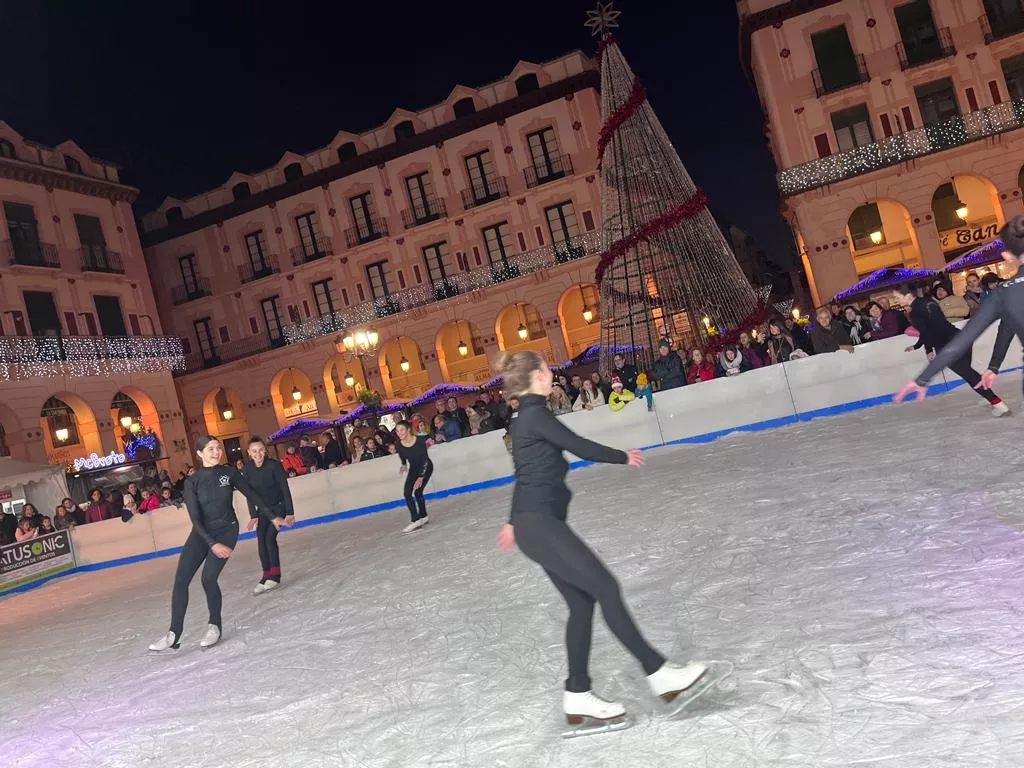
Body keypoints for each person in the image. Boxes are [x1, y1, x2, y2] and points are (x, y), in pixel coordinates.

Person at [493, 350, 710, 734]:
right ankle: (658, 673)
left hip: (534, 524)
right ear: (536, 376)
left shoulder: (524, 417)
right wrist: (622, 457)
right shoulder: (534, 414)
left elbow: (524, 473)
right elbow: (578, 446)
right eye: (546, 367)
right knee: (606, 589)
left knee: (582, 603)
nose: (551, 371)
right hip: (540, 525)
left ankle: (577, 694)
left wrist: (513, 522)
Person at [148, 435, 271, 652]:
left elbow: (252, 493)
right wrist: (211, 543)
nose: (216, 452)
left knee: (208, 578)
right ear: (199, 453)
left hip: (226, 531)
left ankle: (215, 626)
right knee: (180, 580)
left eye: (218, 448)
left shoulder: (229, 473)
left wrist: (272, 515)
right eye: (211, 449)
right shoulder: (192, 482)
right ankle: (173, 634)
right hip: (202, 534)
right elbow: (195, 518)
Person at [896, 216, 1024, 407]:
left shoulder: (1002, 293)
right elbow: (1006, 328)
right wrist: (994, 366)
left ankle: (994, 401)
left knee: (967, 372)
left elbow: (963, 339)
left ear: (1006, 256)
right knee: (968, 372)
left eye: (897, 297)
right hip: (951, 339)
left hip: (949, 343)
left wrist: (923, 378)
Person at [891, 281, 1008, 415]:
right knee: (969, 373)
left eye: (897, 297)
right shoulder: (928, 301)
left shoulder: (915, 313)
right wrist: (918, 345)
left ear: (907, 296)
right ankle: (988, 397)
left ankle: (997, 403)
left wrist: (929, 350)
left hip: (947, 347)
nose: (896, 300)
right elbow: (934, 326)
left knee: (969, 375)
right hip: (961, 338)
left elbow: (928, 333)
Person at [243, 436, 295, 595]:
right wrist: (253, 514)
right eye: (254, 451)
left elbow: (285, 489)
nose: (258, 454)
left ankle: (275, 575)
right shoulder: (248, 470)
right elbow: (249, 494)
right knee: (260, 540)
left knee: (269, 538)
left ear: (265, 450)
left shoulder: (274, 466)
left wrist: (289, 512)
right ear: (249, 453)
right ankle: (266, 574)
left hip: (278, 508)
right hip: (263, 511)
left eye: (260, 450)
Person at [395, 420, 433, 534]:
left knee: (417, 492)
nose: (399, 433)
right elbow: (403, 457)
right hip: (414, 469)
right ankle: (420, 518)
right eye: (397, 430)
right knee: (407, 493)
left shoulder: (420, 441)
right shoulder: (399, 445)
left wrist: (421, 477)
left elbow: (425, 460)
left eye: (401, 429)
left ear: (408, 430)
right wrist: (403, 465)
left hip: (426, 468)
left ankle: (418, 518)